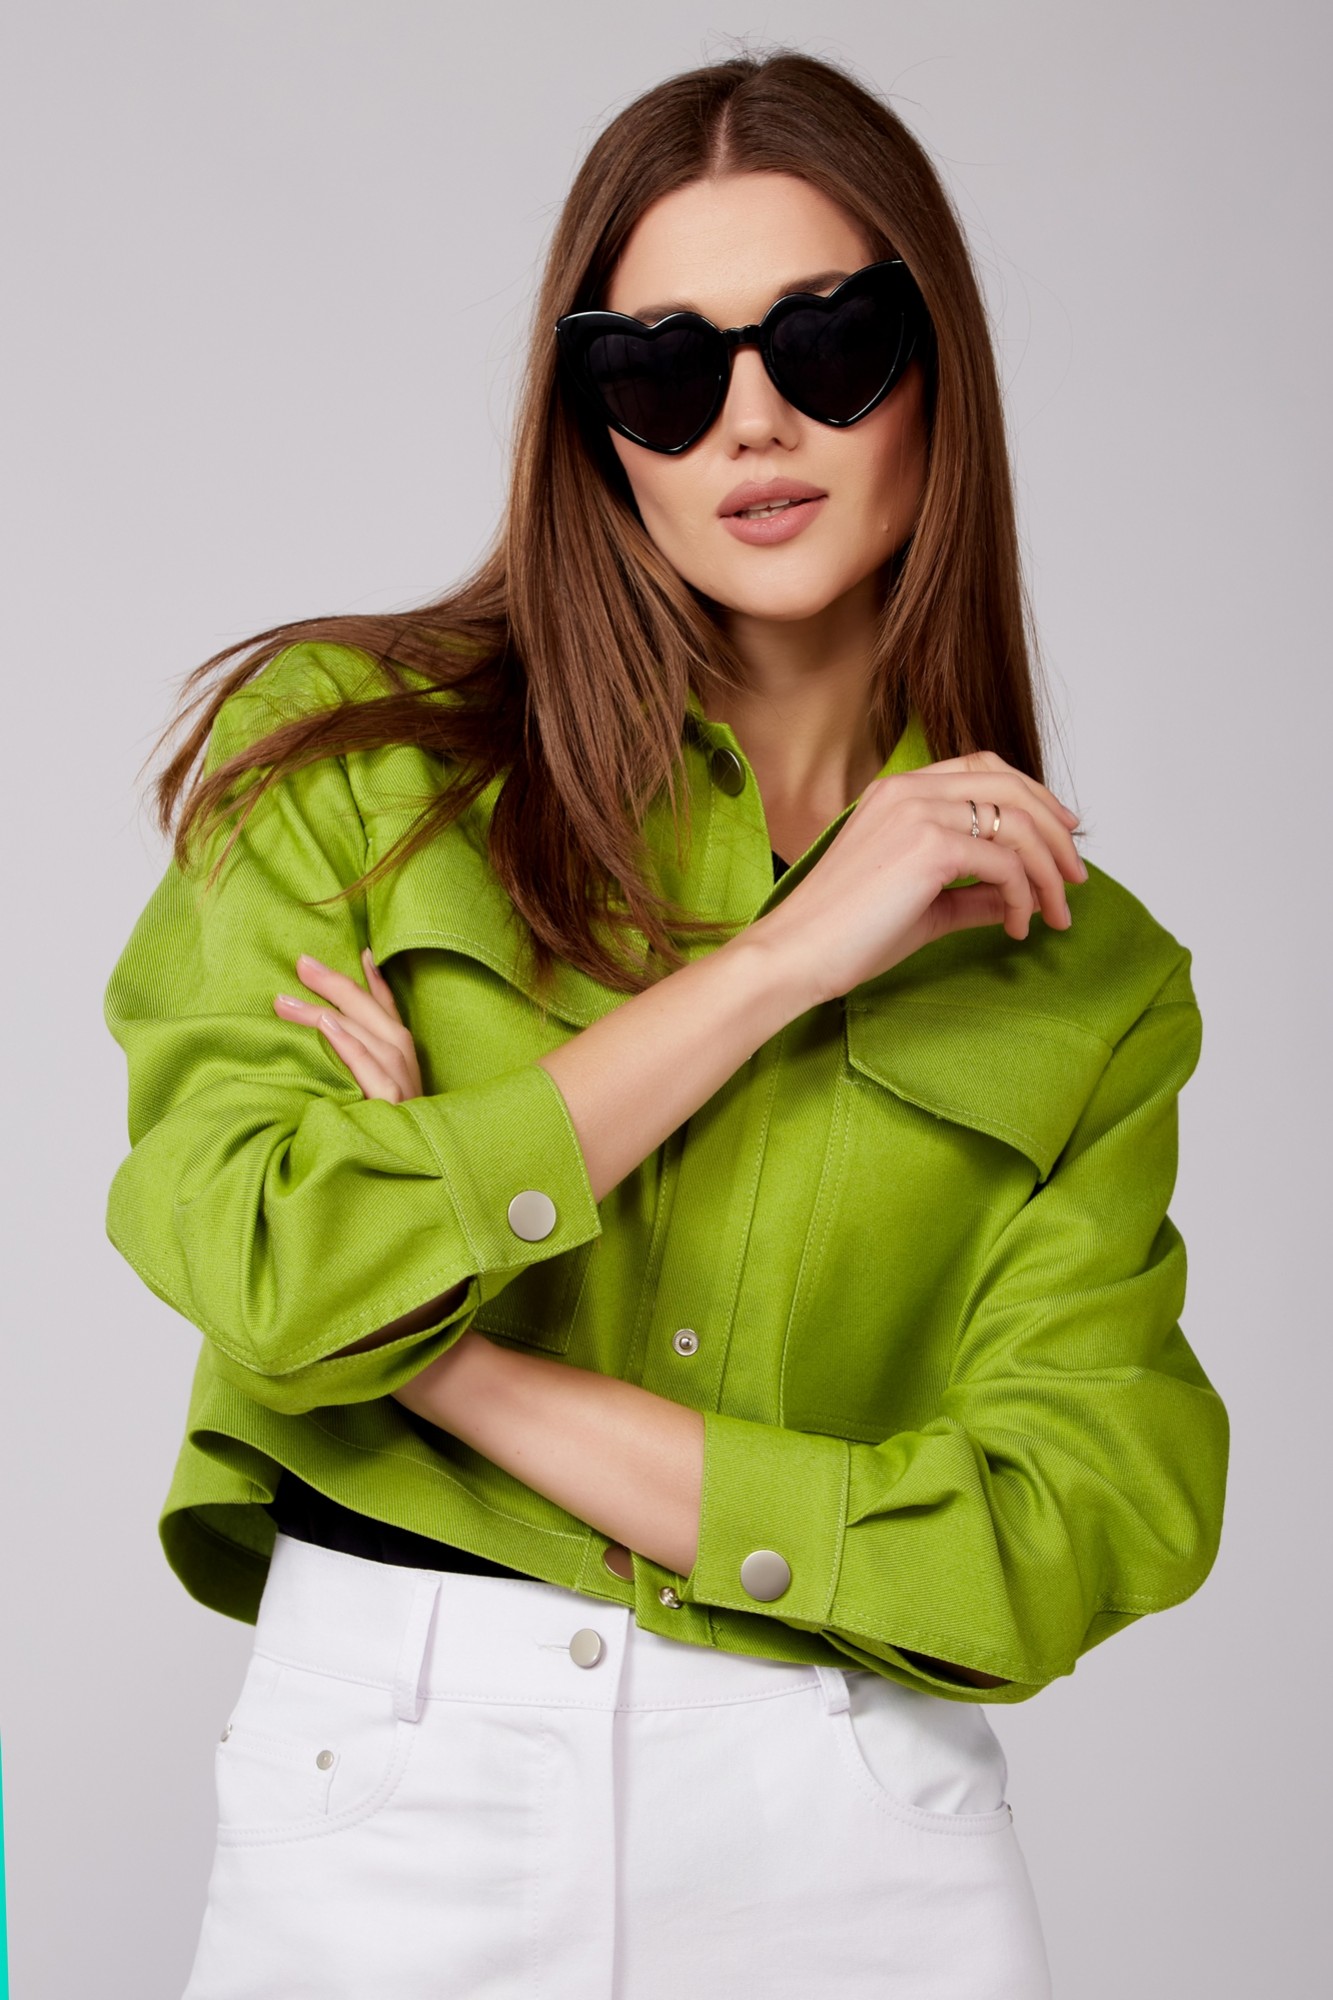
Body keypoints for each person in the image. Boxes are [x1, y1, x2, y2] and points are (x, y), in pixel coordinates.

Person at [103, 48, 1229, 2000]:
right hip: (396, 1784)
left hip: (847, 1806)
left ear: (936, 366)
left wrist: (424, 1361)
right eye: (664, 371)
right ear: (595, 425)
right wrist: (774, 969)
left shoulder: (1085, 972)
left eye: (830, 342)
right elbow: (261, 1248)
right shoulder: (353, 771)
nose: (752, 422)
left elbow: (1060, 1530)